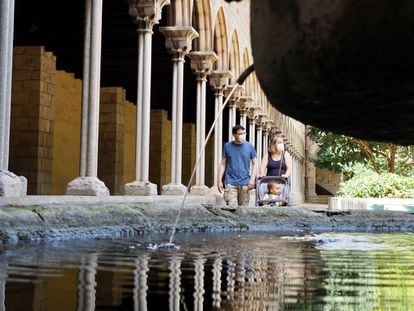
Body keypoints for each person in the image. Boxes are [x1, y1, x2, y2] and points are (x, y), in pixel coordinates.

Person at [218, 125, 258, 206]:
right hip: (230, 182)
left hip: (245, 182)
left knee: (243, 209)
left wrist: (252, 179)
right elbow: (223, 164)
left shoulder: (249, 146)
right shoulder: (227, 146)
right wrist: (219, 181)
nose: (242, 135)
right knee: (232, 207)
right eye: (240, 134)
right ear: (234, 135)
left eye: (244, 133)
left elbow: (255, 163)